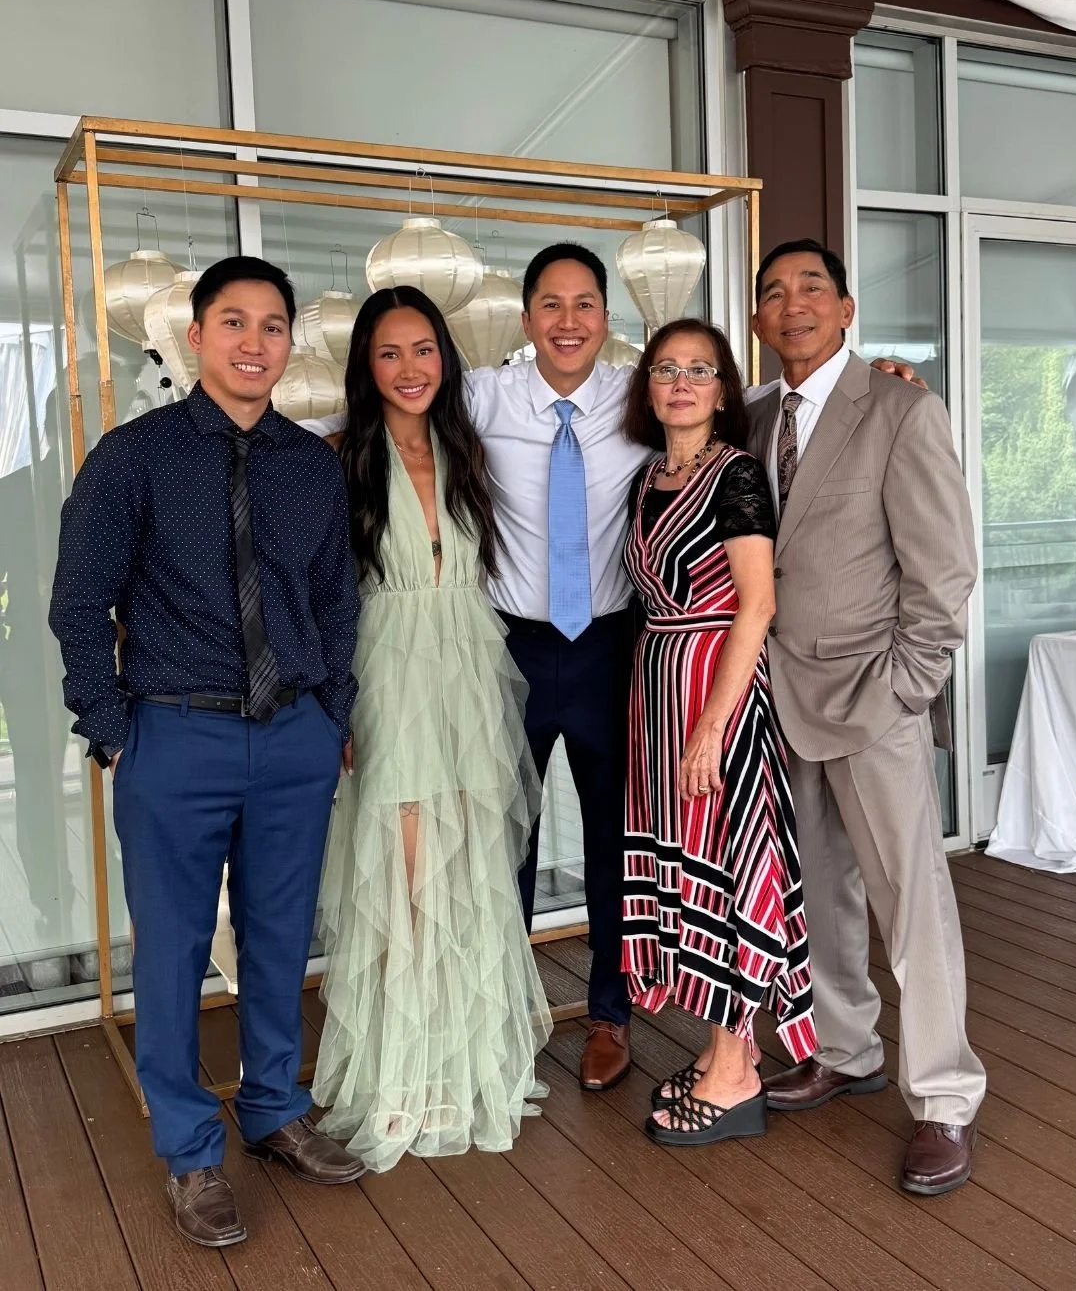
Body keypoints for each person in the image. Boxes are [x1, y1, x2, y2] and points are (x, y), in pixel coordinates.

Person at [301, 241, 920, 1093]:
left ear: (605, 318)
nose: (567, 321)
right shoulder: (479, 394)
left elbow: (764, 398)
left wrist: (880, 374)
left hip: (612, 649)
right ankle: (502, 1011)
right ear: (524, 320)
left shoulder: (639, 398)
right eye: (549, 305)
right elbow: (387, 407)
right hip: (506, 648)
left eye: (584, 304)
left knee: (613, 844)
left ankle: (608, 1016)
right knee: (497, 841)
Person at [49, 256, 365, 1251]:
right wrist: (109, 724)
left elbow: (333, 605)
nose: (254, 344)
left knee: (280, 939)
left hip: (293, 741)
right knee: (177, 951)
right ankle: (191, 1151)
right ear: (195, 338)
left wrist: (333, 713)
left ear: (289, 345)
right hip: (173, 732)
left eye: (274, 326)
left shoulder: (312, 465)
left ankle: (274, 1109)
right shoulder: (132, 457)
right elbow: (76, 602)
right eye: (234, 323)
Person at [748, 239, 985, 1196]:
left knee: (910, 899)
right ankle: (846, 1051)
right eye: (773, 293)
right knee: (820, 896)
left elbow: (943, 569)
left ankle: (943, 1097)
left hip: (872, 697)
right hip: (779, 696)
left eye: (813, 288)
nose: (792, 304)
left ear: (847, 310)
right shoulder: (752, 414)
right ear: (758, 321)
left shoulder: (899, 405)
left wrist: (906, 688)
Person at [312, 286, 551, 1172]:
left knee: (471, 864)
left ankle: (465, 1064)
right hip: (388, 675)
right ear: (364, 366)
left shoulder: (467, 446)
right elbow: (319, 591)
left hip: (468, 674)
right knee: (406, 878)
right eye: (389, 353)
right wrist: (335, 701)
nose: (410, 369)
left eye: (424, 350)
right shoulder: (338, 457)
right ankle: (404, 1077)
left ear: (445, 359)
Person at [620, 318, 816, 1146]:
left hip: (715, 687)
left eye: (700, 368)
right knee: (686, 870)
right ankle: (718, 1050)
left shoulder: (735, 474)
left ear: (724, 388)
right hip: (658, 683)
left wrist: (710, 726)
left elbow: (757, 604)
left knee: (728, 870)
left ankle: (738, 1072)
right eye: (666, 368)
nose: (681, 381)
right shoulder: (650, 476)